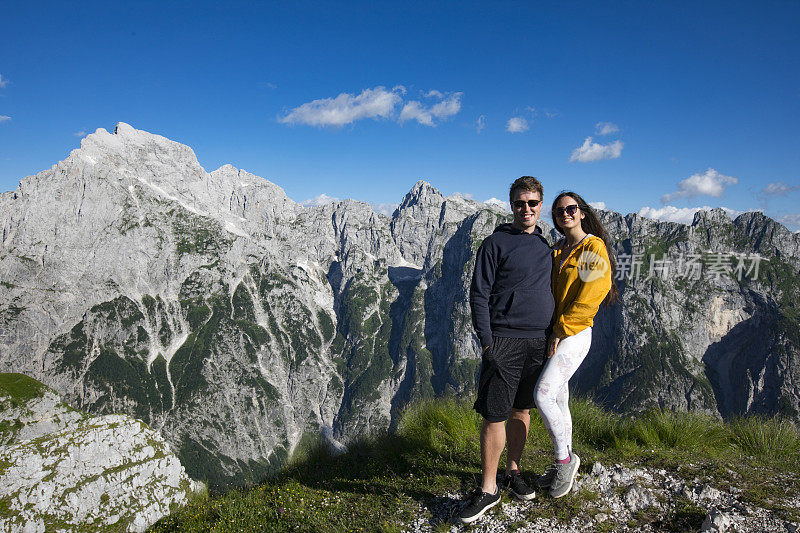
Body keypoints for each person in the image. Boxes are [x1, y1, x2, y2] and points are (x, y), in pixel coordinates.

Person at [459, 176, 555, 524]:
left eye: (532, 203)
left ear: (540, 206)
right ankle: (488, 489)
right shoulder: (494, 244)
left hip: (539, 341)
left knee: (522, 410)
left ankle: (512, 471)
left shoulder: (548, 245)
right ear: (511, 205)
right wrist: (487, 343)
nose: (526, 209)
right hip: (505, 341)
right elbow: (479, 294)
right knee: (495, 414)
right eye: (520, 204)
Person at [533, 191, 617, 498]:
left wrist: (560, 331)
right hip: (556, 332)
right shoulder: (558, 251)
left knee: (542, 396)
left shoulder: (593, 247)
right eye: (558, 211)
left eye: (571, 208)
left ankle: (564, 460)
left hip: (575, 334)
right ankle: (566, 458)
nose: (565, 214)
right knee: (560, 400)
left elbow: (590, 297)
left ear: (582, 212)